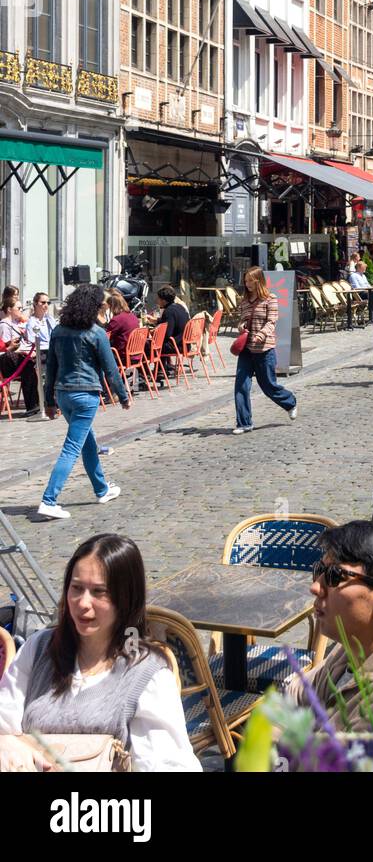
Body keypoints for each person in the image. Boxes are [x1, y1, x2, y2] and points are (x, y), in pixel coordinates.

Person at [0, 533, 200, 772]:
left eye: (99, 592)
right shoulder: (39, 648)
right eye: (76, 588)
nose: (83, 603)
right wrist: (7, 742)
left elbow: (169, 765)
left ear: (125, 599)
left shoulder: (147, 674)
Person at [281, 520, 373, 732]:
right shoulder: (355, 644)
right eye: (319, 569)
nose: (315, 586)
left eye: (335, 576)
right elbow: (292, 697)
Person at [37, 285, 128, 520]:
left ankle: (102, 489)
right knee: (71, 448)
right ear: (93, 307)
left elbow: (51, 369)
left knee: (87, 441)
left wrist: (49, 400)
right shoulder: (95, 332)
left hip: (63, 394)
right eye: (101, 306)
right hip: (85, 395)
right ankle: (49, 499)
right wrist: (124, 396)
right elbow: (111, 369)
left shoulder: (58, 330)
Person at [232, 266, 298, 433]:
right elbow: (241, 321)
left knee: (268, 385)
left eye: (249, 281)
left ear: (258, 280)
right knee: (241, 385)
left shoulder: (270, 298)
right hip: (247, 350)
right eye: (245, 281)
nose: (246, 284)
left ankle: (290, 402)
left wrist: (261, 334)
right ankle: (244, 423)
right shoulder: (245, 301)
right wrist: (241, 326)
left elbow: (272, 321)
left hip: (264, 349)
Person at [0, 288, 39, 416]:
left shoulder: (17, 324)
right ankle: (33, 405)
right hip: (5, 361)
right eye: (19, 308)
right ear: (10, 309)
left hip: (18, 358)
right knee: (28, 364)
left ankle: (35, 404)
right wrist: (17, 348)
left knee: (30, 366)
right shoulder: (4, 325)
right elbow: (5, 349)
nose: (21, 311)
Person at [149, 286, 190, 382]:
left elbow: (167, 334)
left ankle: (149, 373)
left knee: (149, 346)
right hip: (185, 343)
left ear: (163, 300)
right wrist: (157, 321)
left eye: (158, 299)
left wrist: (154, 332)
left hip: (177, 345)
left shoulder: (169, 311)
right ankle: (160, 369)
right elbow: (171, 323)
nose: (156, 301)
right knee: (159, 343)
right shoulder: (179, 307)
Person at [103, 290, 140, 369]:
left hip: (122, 357)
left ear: (112, 306)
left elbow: (106, 337)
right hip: (136, 355)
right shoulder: (132, 316)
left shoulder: (117, 319)